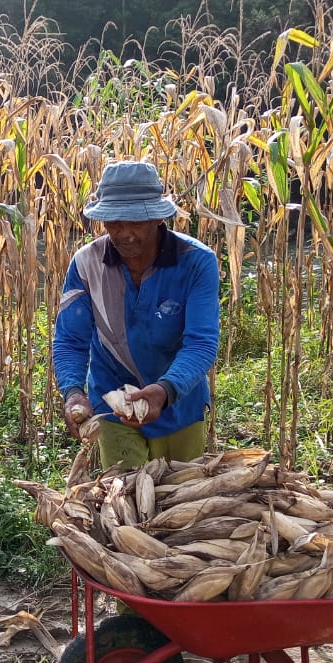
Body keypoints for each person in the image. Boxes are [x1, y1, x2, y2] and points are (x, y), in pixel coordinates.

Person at [52, 160, 221, 469]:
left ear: (158, 217)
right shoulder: (86, 264)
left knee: (179, 500)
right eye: (114, 222)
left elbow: (201, 343)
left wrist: (164, 391)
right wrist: (73, 392)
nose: (124, 233)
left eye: (136, 221)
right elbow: (70, 341)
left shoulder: (197, 262)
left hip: (178, 401)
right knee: (123, 496)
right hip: (111, 402)